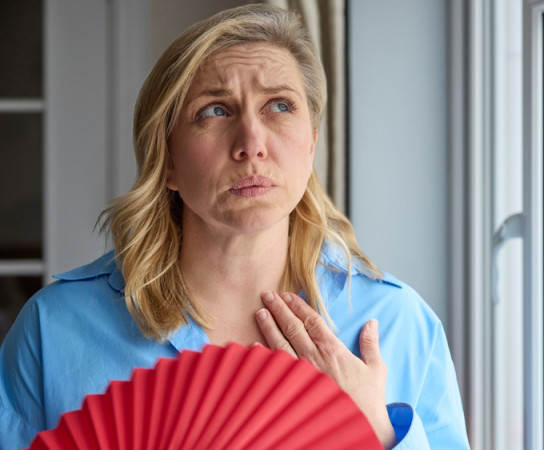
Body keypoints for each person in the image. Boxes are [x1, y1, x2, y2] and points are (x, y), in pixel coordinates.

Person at [0, 5, 469, 449]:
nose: (251, 143)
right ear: (167, 162)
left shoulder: (399, 324)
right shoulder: (55, 330)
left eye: (279, 106)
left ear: (311, 145)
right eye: (215, 110)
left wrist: (378, 434)